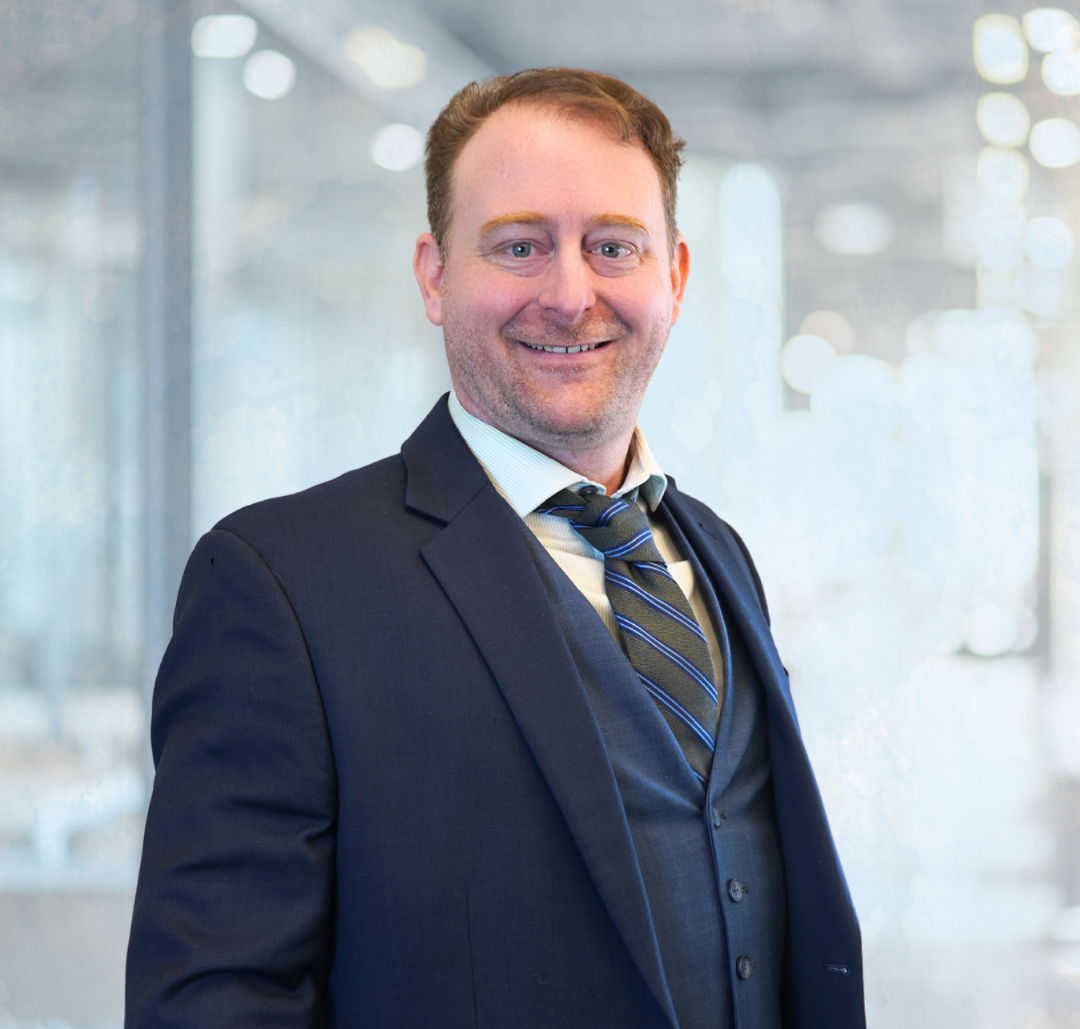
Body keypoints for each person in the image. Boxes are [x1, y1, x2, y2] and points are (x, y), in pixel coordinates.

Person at [126, 68, 865, 1029]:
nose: (570, 294)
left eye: (613, 247)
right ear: (436, 276)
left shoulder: (716, 551)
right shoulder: (282, 585)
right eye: (520, 246)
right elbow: (217, 1003)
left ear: (675, 276)